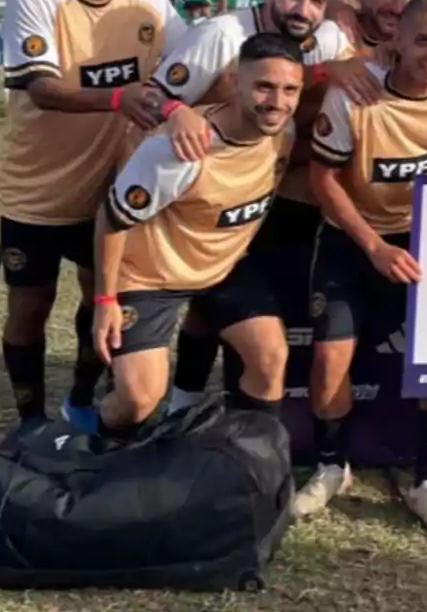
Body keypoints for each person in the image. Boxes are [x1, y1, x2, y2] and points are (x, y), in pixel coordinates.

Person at [145, 0, 376, 418]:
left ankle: (188, 401)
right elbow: (153, 100)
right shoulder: (222, 34)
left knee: (220, 308)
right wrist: (178, 113)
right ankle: (177, 401)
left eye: (316, 1)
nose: (303, 10)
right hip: (199, 204)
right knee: (210, 304)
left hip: (269, 197)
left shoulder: (328, 39)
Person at [0, 0, 185, 434]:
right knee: (29, 310)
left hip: (108, 192)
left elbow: (191, 62)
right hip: (37, 190)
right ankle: (29, 422)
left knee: (96, 304)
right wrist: (122, 97)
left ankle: (79, 402)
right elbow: (42, 89)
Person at [295, 0, 427, 540]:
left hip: (425, 240)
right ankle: (333, 466)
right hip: (351, 238)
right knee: (331, 359)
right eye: (423, 39)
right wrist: (373, 246)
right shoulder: (354, 93)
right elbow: (323, 180)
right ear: (397, 39)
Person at [91, 33, 302, 439]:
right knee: (136, 399)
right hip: (150, 277)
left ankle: (248, 462)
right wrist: (105, 300)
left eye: (289, 89)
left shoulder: (283, 132)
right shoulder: (178, 150)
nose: (277, 101)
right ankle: (98, 452)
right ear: (235, 81)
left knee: (271, 356)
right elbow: (112, 219)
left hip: (222, 269)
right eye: (263, 86)